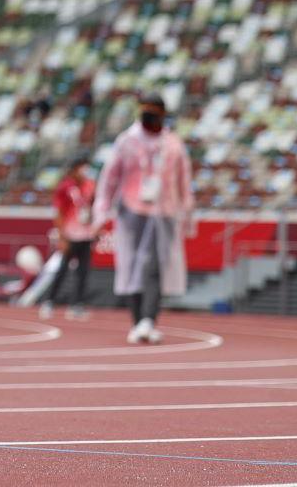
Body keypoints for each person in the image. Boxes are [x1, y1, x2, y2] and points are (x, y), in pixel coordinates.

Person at [94, 95, 194, 345]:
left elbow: (184, 180)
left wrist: (188, 212)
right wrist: (102, 209)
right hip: (132, 211)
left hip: (164, 211)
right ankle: (139, 321)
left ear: (163, 114)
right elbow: (110, 177)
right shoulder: (126, 142)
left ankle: (148, 320)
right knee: (132, 267)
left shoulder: (173, 144)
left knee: (154, 266)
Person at [37, 154, 97, 320]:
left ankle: (76, 305)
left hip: (86, 234)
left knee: (83, 271)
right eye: (82, 166)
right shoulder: (65, 187)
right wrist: (61, 236)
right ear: (74, 169)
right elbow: (59, 212)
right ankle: (49, 301)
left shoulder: (90, 185)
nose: (86, 170)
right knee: (62, 269)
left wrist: (95, 227)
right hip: (70, 234)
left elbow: (93, 206)